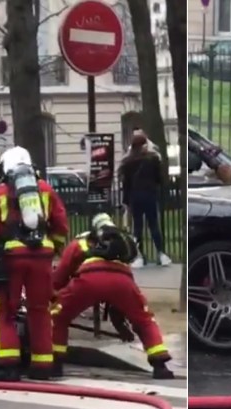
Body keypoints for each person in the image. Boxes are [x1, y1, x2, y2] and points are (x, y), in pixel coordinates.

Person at [0, 146, 69, 381]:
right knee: (40, 310)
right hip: (42, 257)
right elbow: (61, 226)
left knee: (5, 311)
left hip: (12, 258)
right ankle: (42, 365)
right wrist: (53, 248)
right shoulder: (47, 190)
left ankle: (9, 365)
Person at [50, 213, 174, 379]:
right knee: (144, 319)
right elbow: (118, 294)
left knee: (58, 317)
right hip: (123, 280)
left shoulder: (81, 242)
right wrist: (120, 322)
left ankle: (56, 363)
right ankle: (160, 364)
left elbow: (61, 274)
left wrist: (53, 294)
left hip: (88, 280)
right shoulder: (123, 241)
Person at [118, 128, 172, 268]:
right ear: (144, 145)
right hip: (150, 195)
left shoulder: (128, 162)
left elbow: (126, 183)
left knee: (137, 227)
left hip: (135, 197)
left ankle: (139, 256)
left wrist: (126, 202)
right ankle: (161, 254)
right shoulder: (153, 159)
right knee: (154, 225)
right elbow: (160, 179)